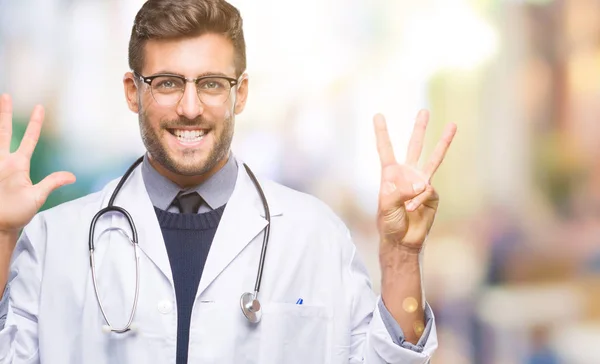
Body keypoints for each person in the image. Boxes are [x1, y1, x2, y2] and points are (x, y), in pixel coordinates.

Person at [0, 0, 456, 363]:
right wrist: (2, 236)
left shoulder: (313, 234)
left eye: (212, 83)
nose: (191, 107)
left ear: (240, 94)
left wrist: (401, 258)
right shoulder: (55, 239)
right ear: (132, 92)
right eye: (167, 83)